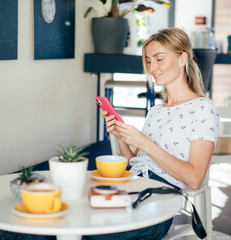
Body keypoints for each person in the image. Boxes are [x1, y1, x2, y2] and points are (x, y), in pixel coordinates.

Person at [84, 27, 220, 240]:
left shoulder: (203, 108)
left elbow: (194, 179)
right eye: (148, 61)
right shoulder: (156, 111)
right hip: (129, 188)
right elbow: (133, 162)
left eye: (159, 59)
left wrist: (145, 143)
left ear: (182, 59)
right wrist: (121, 135)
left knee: (88, 235)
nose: (152, 67)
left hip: (157, 202)